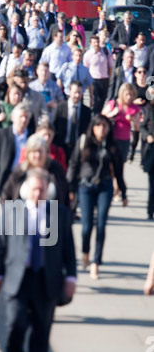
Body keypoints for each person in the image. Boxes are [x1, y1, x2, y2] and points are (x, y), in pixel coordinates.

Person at [0, 168, 77, 352]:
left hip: (46, 280)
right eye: (34, 189)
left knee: (42, 329)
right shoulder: (11, 212)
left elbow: (68, 248)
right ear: (26, 190)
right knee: (15, 325)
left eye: (42, 190)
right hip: (18, 278)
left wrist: (71, 278)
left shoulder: (61, 214)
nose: (37, 194)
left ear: (49, 191)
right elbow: (0, 245)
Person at [67, 114, 128, 280]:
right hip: (86, 187)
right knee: (86, 226)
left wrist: (123, 192)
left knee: (101, 225)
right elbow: (73, 165)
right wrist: (69, 188)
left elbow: (119, 172)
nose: (102, 129)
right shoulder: (84, 142)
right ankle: (86, 251)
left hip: (105, 187)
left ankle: (96, 262)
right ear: (93, 127)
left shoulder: (112, 146)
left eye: (105, 126)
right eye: (98, 126)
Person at [1, 133, 69, 206]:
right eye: (34, 151)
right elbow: (6, 195)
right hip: (23, 215)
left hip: (53, 214)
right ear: (28, 154)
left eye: (40, 151)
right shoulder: (19, 171)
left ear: (46, 152)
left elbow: (65, 197)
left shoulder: (57, 170)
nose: (37, 155)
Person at [102, 82, 140, 199]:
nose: (129, 97)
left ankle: (117, 191)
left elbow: (138, 127)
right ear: (122, 94)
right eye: (127, 94)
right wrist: (112, 113)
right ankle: (110, 189)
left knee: (120, 167)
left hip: (125, 140)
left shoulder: (134, 108)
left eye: (131, 95)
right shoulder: (114, 104)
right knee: (111, 167)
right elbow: (101, 118)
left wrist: (133, 121)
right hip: (112, 139)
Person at [0, 101, 33, 195]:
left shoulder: (32, 136)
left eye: (26, 117)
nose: (24, 120)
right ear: (13, 118)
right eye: (21, 116)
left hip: (26, 179)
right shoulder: (2, 134)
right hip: (6, 178)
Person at [52, 80, 91, 165]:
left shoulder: (86, 111)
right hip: (62, 145)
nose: (77, 95)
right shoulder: (60, 107)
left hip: (78, 147)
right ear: (69, 91)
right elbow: (54, 126)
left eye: (80, 93)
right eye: (75, 92)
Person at [83, 35, 114, 115]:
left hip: (104, 79)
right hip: (93, 81)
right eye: (94, 42)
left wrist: (110, 79)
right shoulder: (88, 54)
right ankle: (93, 117)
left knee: (103, 100)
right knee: (95, 101)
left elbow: (111, 66)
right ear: (90, 44)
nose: (96, 44)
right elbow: (85, 69)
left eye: (97, 42)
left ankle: (98, 116)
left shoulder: (106, 52)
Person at [128, 66, 149, 164]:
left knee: (144, 137)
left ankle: (143, 159)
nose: (142, 74)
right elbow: (128, 99)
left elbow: (151, 101)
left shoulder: (149, 87)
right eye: (140, 72)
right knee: (135, 138)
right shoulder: (133, 87)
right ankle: (132, 153)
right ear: (135, 74)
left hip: (146, 114)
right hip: (135, 113)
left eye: (144, 72)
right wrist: (135, 101)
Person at [140, 100, 154, 220]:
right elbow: (142, 126)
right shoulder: (150, 108)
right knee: (152, 185)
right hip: (152, 150)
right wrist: (147, 136)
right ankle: (150, 211)